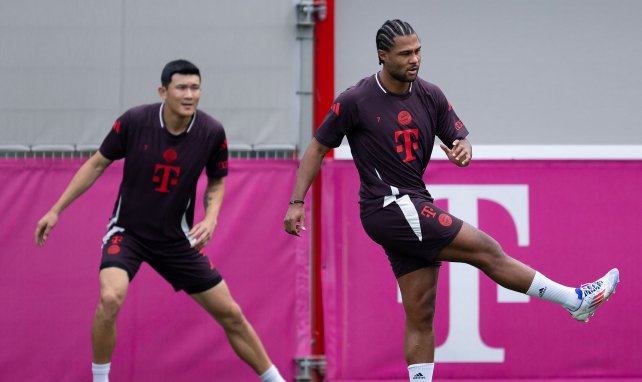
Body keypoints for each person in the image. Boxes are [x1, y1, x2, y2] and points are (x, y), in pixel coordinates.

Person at [283, 19, 619, 382]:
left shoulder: (430, 94)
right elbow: (318, 147)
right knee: (487, 249)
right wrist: (297, 202)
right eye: (405, 53)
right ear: (382, 56)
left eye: (418, 50)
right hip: (390, 206)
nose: (415, 59)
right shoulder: (355, 99)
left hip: (411, 202)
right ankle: (575, 300)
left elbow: (462, 143)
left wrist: (463, 150)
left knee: (421, 313)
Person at [35, 59, 286, 382]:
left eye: (195, 88)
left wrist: (211, 217)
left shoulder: (211, 132)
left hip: (175, 241)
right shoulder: (135, 121)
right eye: (181, 87)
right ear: (163, 91)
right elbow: (97, 164)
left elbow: (216, 181)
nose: (189, 94)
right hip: (128, 233)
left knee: (232, 314)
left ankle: (275, 380)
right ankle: (100, 379)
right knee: (110, 297)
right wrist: (56, 209)